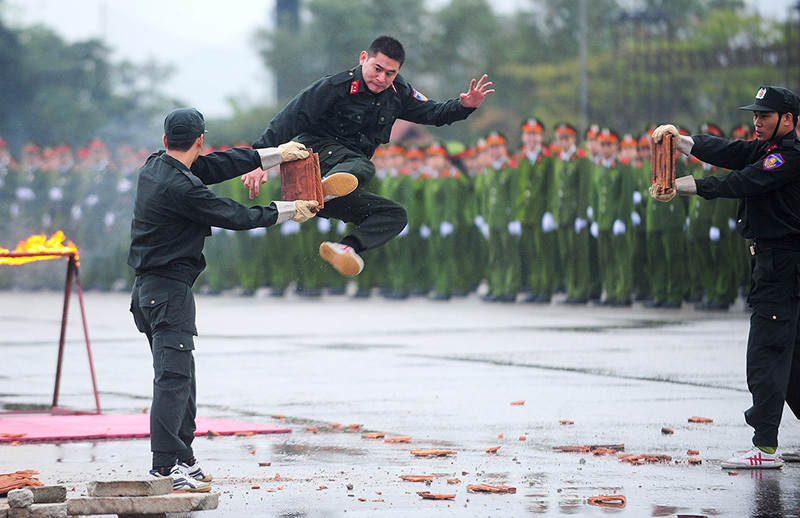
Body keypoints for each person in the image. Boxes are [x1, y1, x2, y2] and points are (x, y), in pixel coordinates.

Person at [128, 108, 320, 491]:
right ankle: (165, 467)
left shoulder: (155, 167)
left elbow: (216, 165)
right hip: (166, 293)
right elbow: (232, 214)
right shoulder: (181, 188)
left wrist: (276, 154)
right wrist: (286, 211)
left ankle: (184, 458)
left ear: (166, 141)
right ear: (200, 140)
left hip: (153, 294)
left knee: (183, 378)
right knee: (173, 379)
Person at [245, 35, 493, 276]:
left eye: (390, 73)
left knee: (395, 214)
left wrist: (464, 106)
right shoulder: (335, 87)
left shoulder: (399, 92)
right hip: (315, 158)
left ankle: (346, 246)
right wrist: (260, 160)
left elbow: (434, 113)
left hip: (341, 181)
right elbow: (289, 117)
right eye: (377, 68)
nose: (382, 78)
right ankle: (320, 188)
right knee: (364, 166)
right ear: (364, 58)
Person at [650, 86, 800, 469]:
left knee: (765, 354)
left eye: (765, 115)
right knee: (793, 360)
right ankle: (768, 443)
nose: (757, 121)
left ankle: (764, 446)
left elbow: (744, 182)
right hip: (778, 263)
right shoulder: (765, 149)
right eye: (756, 114)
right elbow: (729, 151)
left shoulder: (788, 157)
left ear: (788, 120)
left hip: (782, 265)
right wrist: (684, 142)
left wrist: (690, 185)